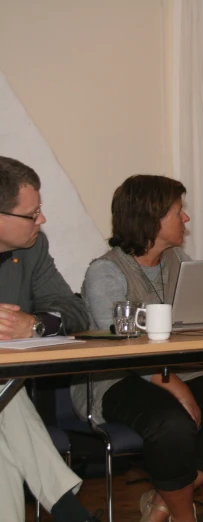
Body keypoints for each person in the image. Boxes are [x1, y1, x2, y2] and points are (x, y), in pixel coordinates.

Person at [77, 175, 203, 522]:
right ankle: (183, 516)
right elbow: (118, 346)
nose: (185, 219)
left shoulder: (179, 261)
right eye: (178, 211)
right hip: (117, 376)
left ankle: (160, 505)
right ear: (151, 216)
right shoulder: (105, 272)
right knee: (173, 422)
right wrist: (171, 382)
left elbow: (196, 325)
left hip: (182, 368)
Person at [0, 156, 98, 522]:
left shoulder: (32, 250)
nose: (42, 220)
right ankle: (67, 509)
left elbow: (74, 310)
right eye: (32, 213)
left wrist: (35, 326)